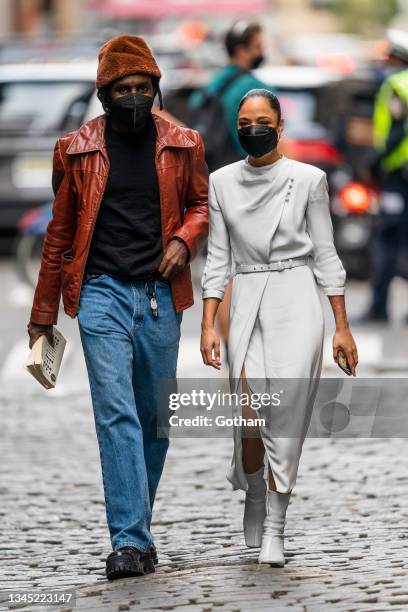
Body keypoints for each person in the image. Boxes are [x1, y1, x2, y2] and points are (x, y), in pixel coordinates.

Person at [27, 35, 209, 580]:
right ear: (104, 96)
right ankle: (128, 541)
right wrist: (42, 314)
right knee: (117, 414)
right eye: (123, 89)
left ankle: (140, 530)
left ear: (156, 89)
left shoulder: (184, 142)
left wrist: (185, 238)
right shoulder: (76, 148)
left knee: (155, 420)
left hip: (159, 296)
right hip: (101, 292)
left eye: (143, 87)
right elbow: (60, 234)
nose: (134, 97)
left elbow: (201, 204)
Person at [200, 89, 358, 566]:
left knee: (286, 419)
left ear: (280, 126)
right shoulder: (222, 182)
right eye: (244, 121)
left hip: (297, 298)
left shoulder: (309, 180)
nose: (253, 128)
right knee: (250, 415)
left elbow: (326, 254)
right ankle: (253, 486)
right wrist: (208, 323)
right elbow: (217, 258)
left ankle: (276, 525)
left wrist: (341, 327)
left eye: (263, 120)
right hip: (247, 296)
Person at [361, 29, 408, 322]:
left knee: (386, 238)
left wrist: (372, 163)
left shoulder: (395, 85)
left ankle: (379, 306)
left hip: (398, 175)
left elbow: (395, 132)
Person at [188, 20, 273, 163]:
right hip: (246, 170)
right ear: (241, 51)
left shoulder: (214, 82)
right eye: (258, 47)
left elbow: (194, 106)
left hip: (211, 169)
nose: (261, 52)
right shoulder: (255, 88)